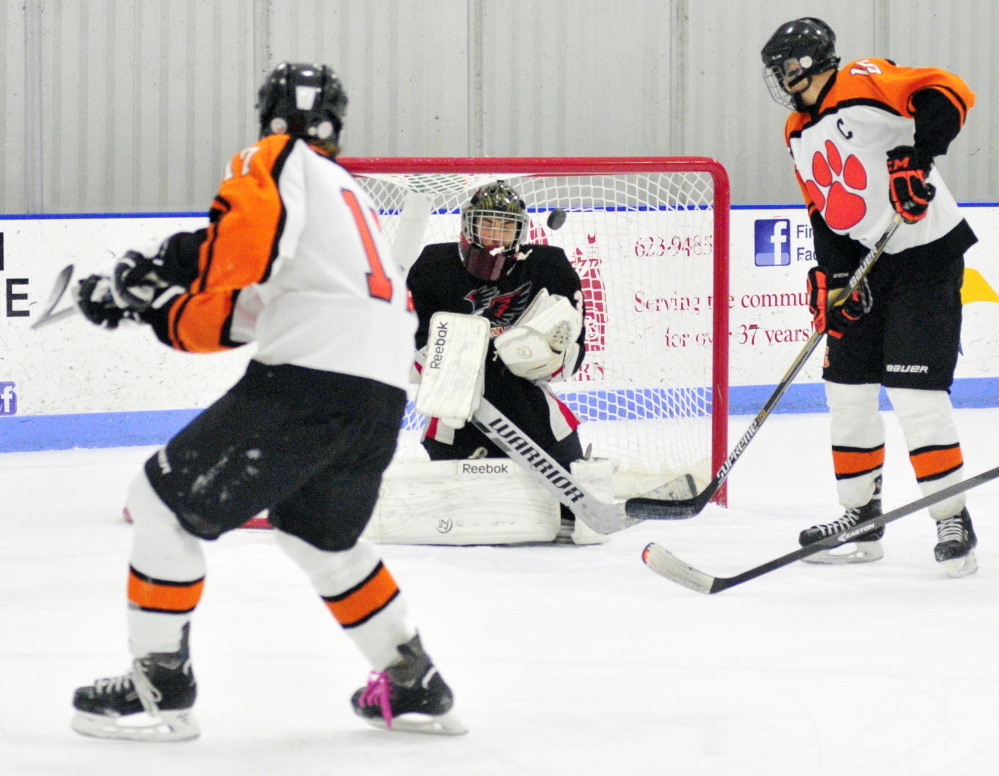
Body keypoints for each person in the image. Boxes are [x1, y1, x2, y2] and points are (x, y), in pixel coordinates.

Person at [69, 62, 465, 741]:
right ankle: (412, 680)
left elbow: (243, 246)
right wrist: (147, 306)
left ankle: (157, 686)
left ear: (270, 120)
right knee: (321, 539)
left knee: (161, 503)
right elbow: (242, 312)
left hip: (312, 380)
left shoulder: (276, 157)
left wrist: (158, 263)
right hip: (377, 396)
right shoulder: (352, 197)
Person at [760, 19, 979, 576]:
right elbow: (823, 207)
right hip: (866, 265)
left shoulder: (862, 79)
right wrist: (832, 277)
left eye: (788, 65)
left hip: (925, 256)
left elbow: (948, 93)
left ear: (813, 60)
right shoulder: (795, 130)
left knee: (914, 393)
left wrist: (916, 158)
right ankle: (860, 517)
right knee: (846, 392)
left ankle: (951, 518)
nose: (784, 79)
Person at [406, 181, 588, 537]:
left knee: (572, 508)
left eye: (507, 226)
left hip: (529, 407)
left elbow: (574, 355)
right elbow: (408, 350)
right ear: (468, 226)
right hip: (456, 412)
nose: (496, 235)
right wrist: (437, 355)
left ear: (521, 231)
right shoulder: (433, 267)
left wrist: (552, 356)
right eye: (488, 223)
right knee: (472, 515)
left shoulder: (549, 268)